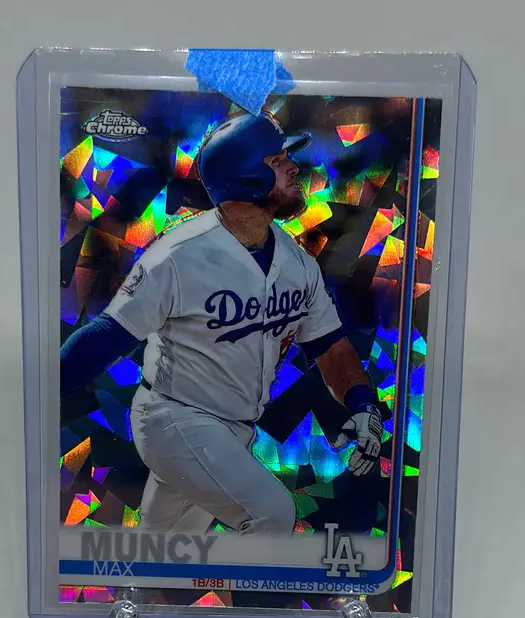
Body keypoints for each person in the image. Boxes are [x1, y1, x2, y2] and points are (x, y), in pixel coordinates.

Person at [60, 112, 382, 535]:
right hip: (175, 419)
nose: (293, 167)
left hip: (232, 433)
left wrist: (363, 404)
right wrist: (40, 392)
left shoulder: (297, 263)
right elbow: (108, 335)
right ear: (247, 179)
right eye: (278, 160)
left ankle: (145, 576)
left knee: (165, 551)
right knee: (272, 514)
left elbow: (331, 346)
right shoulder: (180, 254)